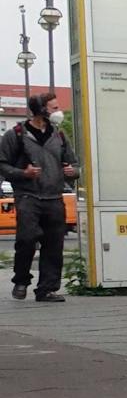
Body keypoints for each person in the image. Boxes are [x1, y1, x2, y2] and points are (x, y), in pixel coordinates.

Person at [0, 93, 80, 303]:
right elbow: (2, 164)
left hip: (54, 196)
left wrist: (73, 171)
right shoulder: (16, 135)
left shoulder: (59, 135)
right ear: (41, 110)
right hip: (28, 195)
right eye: (54, 108)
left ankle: (47, 289)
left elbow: (73, 163)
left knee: (54, 244)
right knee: (26, 239)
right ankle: (21, 280)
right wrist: (22, 173)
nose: (58, 112)